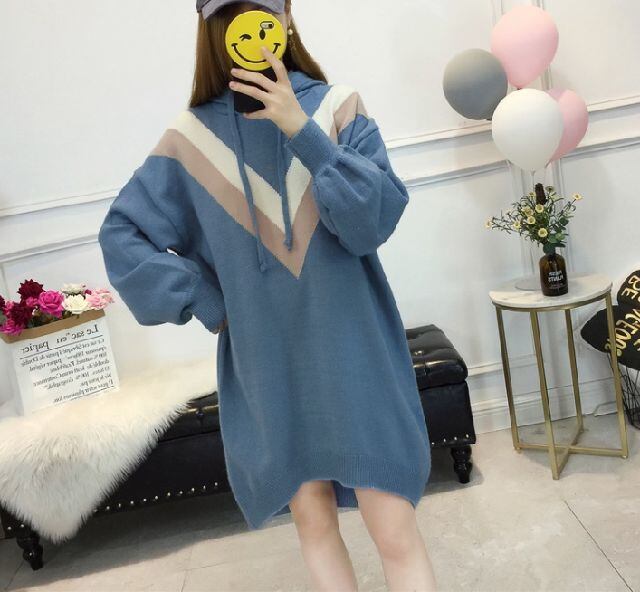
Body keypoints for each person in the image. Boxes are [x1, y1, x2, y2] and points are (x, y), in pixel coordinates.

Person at [97, 0, 437, 589]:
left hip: (356, 351)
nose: (253, 30)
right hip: (266, 364)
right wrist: (206, 300)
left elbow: (371, 223)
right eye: (234, 16)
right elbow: (122, 234)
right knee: (313, 524)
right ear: (214, 31)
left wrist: (302, 131)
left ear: (284, 19)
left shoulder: (337, 107)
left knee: (394, 529)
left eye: (263, 12)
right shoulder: (190, 138)